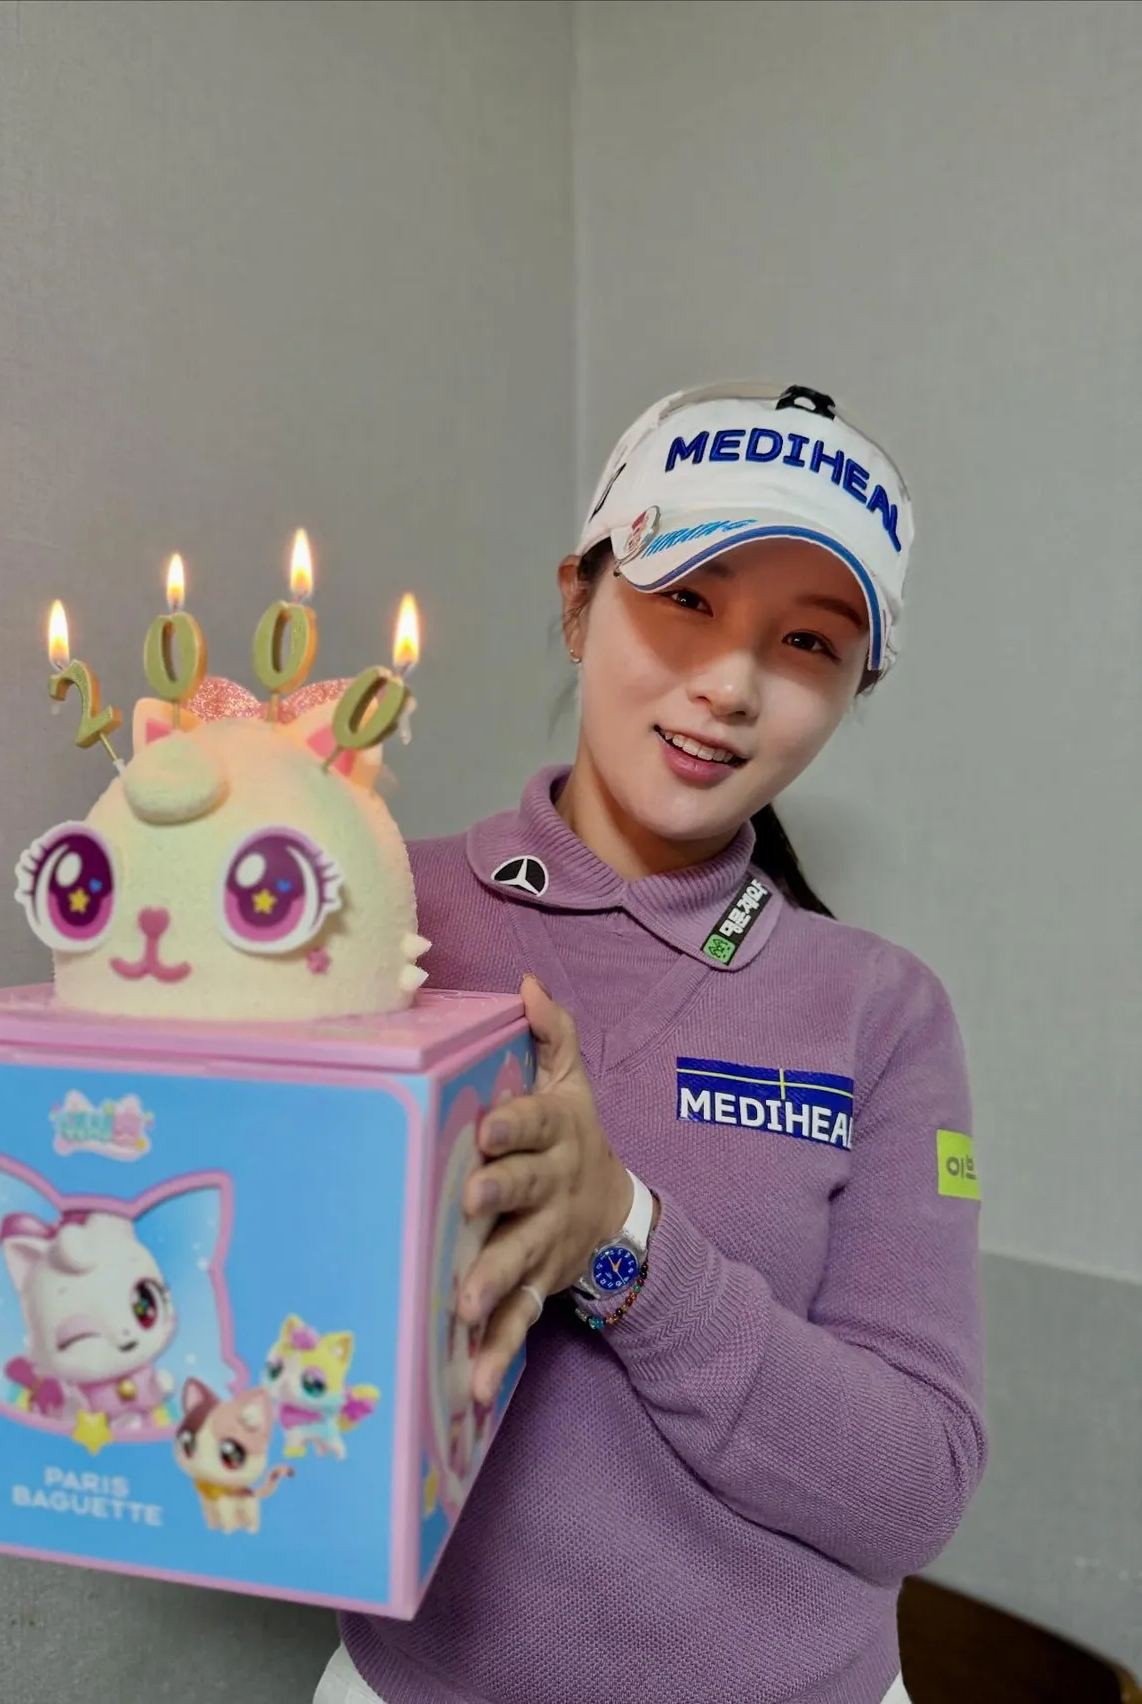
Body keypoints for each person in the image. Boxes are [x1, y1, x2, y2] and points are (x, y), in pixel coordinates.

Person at [315, 383, 986, 1704]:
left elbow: (918, 1489)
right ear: (579, 601)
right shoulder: (383, 906)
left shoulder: (882, 1010)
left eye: (808, 641)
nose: (730, 684)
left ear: (852, 690)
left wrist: (621, 1238)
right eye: (686, 597)